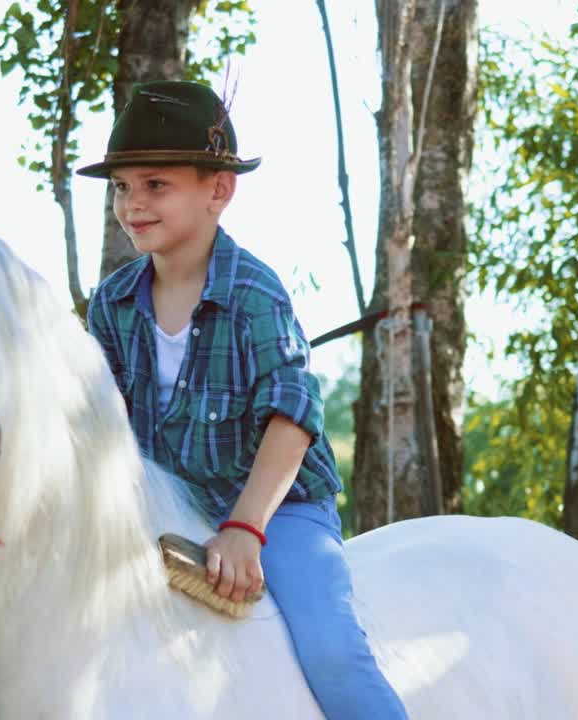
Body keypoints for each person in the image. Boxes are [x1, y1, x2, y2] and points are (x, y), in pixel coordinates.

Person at [79, 80, 408, 720]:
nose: (132, 204)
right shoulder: (111, 304)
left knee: (333, 651)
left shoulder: (255, 292)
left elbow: (292, 415)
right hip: (162, 503)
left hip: (274, 507)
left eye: (155, 185)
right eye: (121, 187)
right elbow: (103, 425)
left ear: (219, 190)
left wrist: (244, 527)